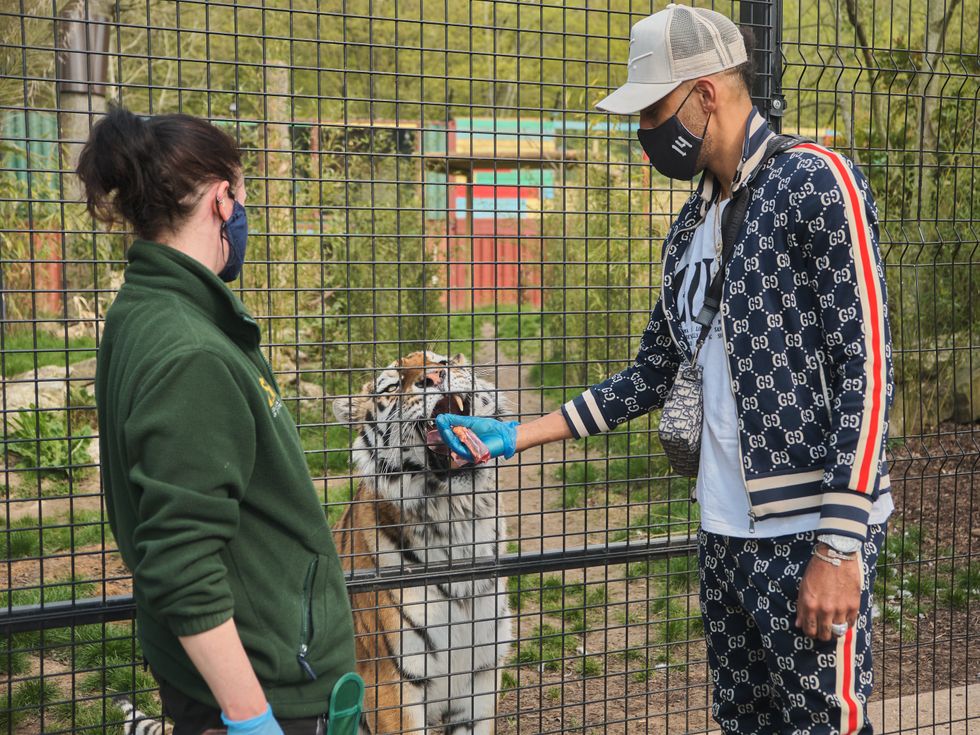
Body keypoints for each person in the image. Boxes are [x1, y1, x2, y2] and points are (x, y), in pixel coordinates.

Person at [436, 5, 893, 734]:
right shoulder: (690, 225)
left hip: (806, 530)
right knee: (744, 721)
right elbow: (650, 373)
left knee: (822, 723)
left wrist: (840, 544)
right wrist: (516, 434)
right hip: (722, 533)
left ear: (705, 94)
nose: (646, 130)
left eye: (653, 110)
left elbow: (868, 368)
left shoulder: (817, 182)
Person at [80, 106, 357, 735]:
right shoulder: (191, 351)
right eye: (243, 192)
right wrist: (251, 716)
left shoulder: (148, 309)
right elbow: (181, 561)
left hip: (222, 671)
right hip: (268, 687)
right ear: (220, 199)